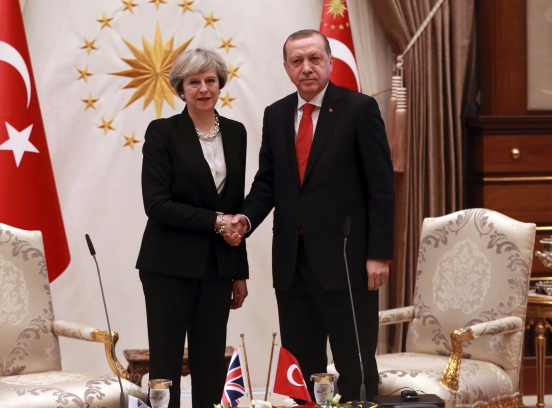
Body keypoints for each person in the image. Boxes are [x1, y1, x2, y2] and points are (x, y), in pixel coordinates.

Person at [232, 30, 394, 402]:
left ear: (330, 63)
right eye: (297, 61)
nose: (306, 68)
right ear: (286, 67)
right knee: (301, 370)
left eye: (314, 59)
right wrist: (245, 219)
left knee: (355, 368)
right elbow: (267, 182)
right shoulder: (276, 115)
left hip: (348, 262)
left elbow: (382, 189)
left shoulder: (359, 109)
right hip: (293, 264)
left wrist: (378, 254)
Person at [136, 47, 249, 408]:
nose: (203, 89)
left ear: (220, 84)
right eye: (194, 82)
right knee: (166, 363)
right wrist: (216, 221)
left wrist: (239, 271)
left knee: (211, 363)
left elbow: (234, 207)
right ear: (180, 88)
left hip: (218, 267)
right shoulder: (162, 132)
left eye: (210, 80)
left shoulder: (237, 133)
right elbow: (156, 204)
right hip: (168, 265)